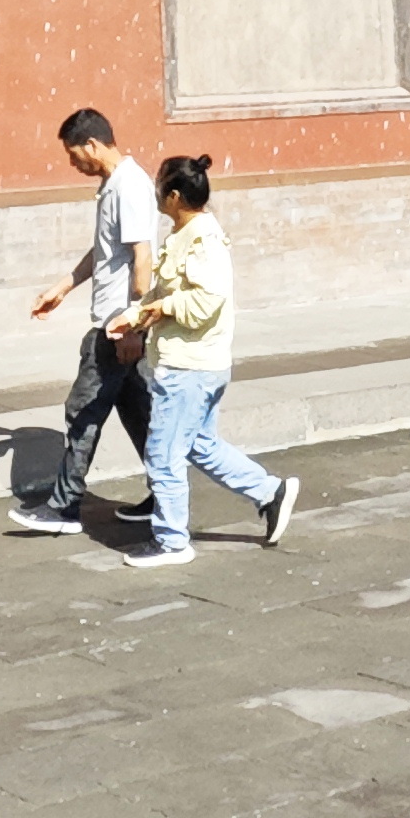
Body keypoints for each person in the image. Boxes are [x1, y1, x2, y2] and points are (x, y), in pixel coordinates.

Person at [107, 156, 303, 567]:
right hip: (191, 365)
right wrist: (136, 316)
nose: (156, 193)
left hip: (189, 368)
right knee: (199, 445)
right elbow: (166, 294)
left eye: (160, 186)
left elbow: (204, 303)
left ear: (175, 196)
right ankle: (270, 492)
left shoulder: (204, 241)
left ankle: (172, 542)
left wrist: (159, 309)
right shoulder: (184, 234)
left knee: (163, 455)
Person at [11, 108, 161, 536]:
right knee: (140, 412)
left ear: (92, 144)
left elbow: (143, 258)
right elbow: (105, 251)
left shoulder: (128, 187)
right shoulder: (115, 185)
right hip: (121, 325)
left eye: (73, 154)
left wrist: (132, 325)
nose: (72, 163)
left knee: (83, 409)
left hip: (116, 327)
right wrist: (64, 286)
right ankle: (166, 496)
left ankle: (64, 507)